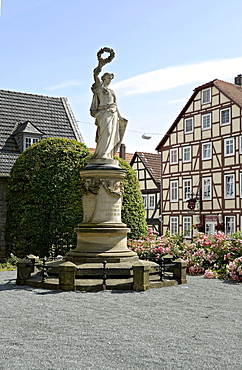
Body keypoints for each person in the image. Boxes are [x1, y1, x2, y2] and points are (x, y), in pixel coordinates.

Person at [90, 63, 127, 159]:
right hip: (103, 113)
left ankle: (107, 153)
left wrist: (120, 116)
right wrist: (100, 65)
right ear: (104, 78)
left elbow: (115, 104)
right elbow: (95, 75)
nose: (110, 80)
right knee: (105, 131)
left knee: (111, 133)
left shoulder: (112, 91)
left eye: (111, 78)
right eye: (108, 78)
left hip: (113, 113)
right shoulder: (100, 88)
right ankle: (101, 153)